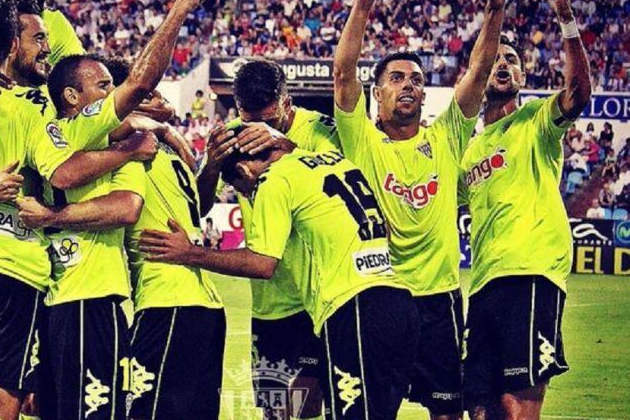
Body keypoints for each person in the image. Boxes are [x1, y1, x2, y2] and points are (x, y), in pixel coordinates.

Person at [0, 0, 205, 420]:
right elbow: (66, 172)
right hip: (21, 274)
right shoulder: (35, 111)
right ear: (12, 45)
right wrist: (132, 143)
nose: (47, 45)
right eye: (37, 38)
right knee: (10, 409)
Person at [140, 134, 418, 420]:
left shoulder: (273, 179)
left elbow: (262, 264)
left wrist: (190, 253)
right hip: (400, 302)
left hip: (354, 310)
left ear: (244, 171)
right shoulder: (333, 160)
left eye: (241, 190)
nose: (248, 196)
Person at [332, 0, 507, 419]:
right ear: (377, 94)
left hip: (440, 298)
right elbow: (342, 73)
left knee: (447, 411)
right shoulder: (362, 140)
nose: (407, 84)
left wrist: (496, 12)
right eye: (396, 78)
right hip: (381, 295)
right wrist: (363, 4)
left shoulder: (447, 135)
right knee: (375, 409)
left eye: (414, 79)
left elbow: (480, 70)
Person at [459, 0, 591, 420]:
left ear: (522, 76)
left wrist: (567, 21)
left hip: (531, 272)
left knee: (518, 403)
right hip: (482, 284)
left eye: (512, 60)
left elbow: (577, 95)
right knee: (479, 405)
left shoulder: (537, 120)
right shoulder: (468, 151)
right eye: (494, 59)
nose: (503, 64)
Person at [197, 59, 340, 420]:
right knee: (273, 412)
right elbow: (197, 207)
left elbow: (344, 180)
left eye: (269, 119)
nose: (258, 129)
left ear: (286, 100)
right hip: (267, 303)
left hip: (315, 298)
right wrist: (212, 167)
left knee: (307, 406)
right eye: (250, 120)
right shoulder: (230, 135)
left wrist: (284, 144)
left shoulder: (319, 131)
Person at [14, 56, 151, 420]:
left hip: (52, 294)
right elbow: (125, 209)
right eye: (103, 86)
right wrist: (130, 148)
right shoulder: (106, 146)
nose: (112, 95)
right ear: (72, 97)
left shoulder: (47, 136)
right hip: (88, 298)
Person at [101, 67, 227, 420]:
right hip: (167, 299)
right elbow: (95, 126)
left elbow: (197, 209)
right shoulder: (126, 144)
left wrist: (211, 166)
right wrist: (157, 126)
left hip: (194, 302)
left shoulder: (166, 152)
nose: (164, 100)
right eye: (152, 94)